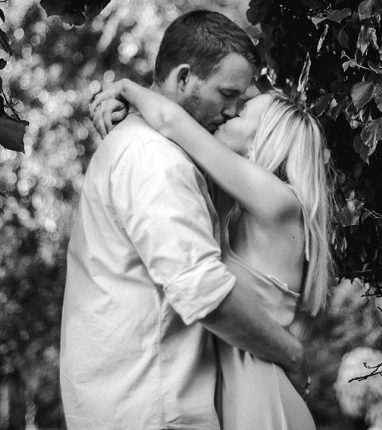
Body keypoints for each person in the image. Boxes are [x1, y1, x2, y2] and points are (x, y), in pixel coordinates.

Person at [59, 10, 309, 430]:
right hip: (154, 407)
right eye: (227, 94)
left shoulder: (160, 152)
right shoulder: (156, 160)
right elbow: (203, 291)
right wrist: (293, 353)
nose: (231, 111)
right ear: (183, 78)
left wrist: (126, 90)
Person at [89, 79, 333, 430]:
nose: (228, 114)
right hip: (237, 386)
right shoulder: (243, 208)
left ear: (263, 140)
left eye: (243, 113)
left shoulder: (281, 204)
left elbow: (173, 122)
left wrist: (123, 87)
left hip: (259, 395)